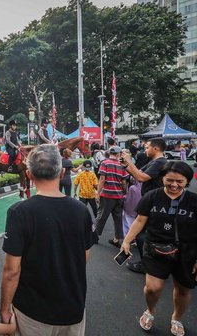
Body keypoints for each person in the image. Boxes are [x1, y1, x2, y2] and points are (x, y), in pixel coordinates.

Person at [0, 144, 93, 336]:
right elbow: (84, 256)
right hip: (73, 305)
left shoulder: (19, 212)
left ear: (29, 174)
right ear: (62, 172)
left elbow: (11, 271)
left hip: (32, 311)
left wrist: (4, 308)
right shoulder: (81, 210)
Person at [121, 161, 197, 336]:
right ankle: (150, 311)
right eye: (169, 180)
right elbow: (140, 220)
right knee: (152, 288)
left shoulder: (193, 201)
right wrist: (127, 240)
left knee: (183, 289)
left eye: (180, 181)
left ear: (187, 181)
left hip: (188, 252)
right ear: (162, 178)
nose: (174, 185)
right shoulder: (152, 196)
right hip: (156, 247)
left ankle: (176, 317)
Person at [121, 137, 167, 273]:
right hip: (150, 199)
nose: (145, 150)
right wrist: (126, 166)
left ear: (156, 148)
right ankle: (150, 261)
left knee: (141, 232)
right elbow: (138, 174)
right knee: (145, 231)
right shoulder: (155, 162)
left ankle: (145, 263)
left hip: (154, 201)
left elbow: (141, 178)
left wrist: (130, 162)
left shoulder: (160, 162)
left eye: (147, 147)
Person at [93, 146, 128, 247]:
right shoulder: (122, 165)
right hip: (119, 196)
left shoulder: (105, 163)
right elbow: (124, 182)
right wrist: (124, 193)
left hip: (107, 195)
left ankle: (95, 236)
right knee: (118, 218)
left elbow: (102, 179)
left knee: (101, 216)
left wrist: (98, 193)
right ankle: (117, 239)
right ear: (118, 154)